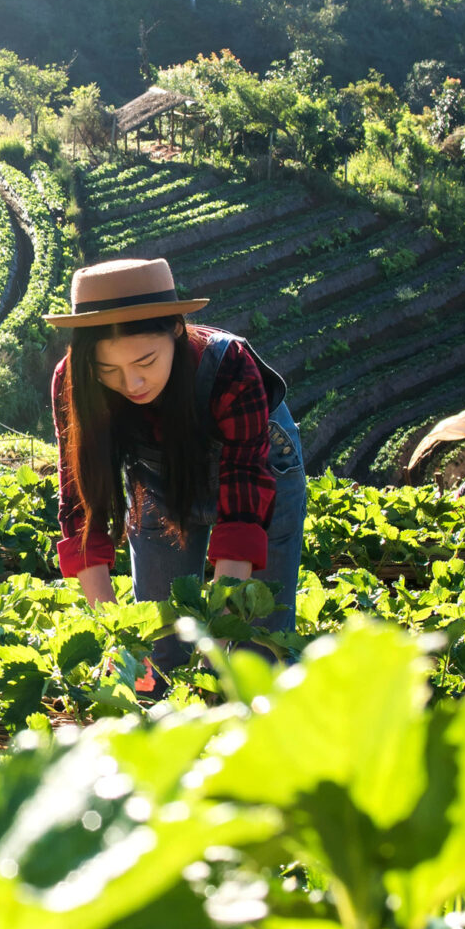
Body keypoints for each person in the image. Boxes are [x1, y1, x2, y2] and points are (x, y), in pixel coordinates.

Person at [48, 257, 307, 683]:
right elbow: (80, 508)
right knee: (160, 648)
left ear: (175, 329)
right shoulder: (73, 384)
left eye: (145, 362)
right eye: (108, 371)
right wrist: (117, 637)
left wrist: (216, 646)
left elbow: (242, 515)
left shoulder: (229, 367)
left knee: (258, 652)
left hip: (261, 478)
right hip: (158, 480)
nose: (131, 384)